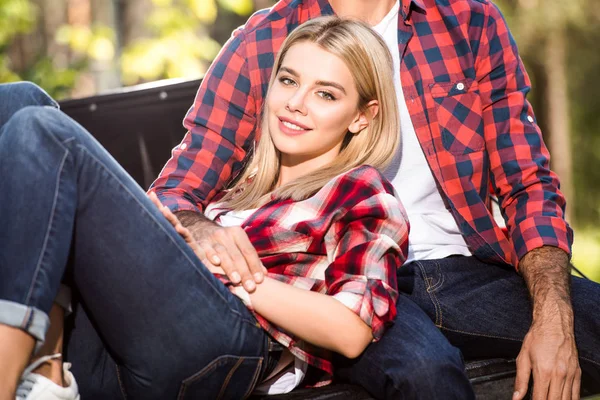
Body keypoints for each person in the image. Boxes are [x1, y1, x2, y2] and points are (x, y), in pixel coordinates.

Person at [143, 0, 600, 399]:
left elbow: (527, 183)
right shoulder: (262, 41)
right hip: (338, 276)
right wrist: (207, 234)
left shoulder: (470, 24)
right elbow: (174, 191)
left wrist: (554, 314)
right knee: (424, 372)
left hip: (465, 269)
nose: (298, 100)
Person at [0, 17, 412, 400]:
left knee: (41, 129)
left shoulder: (361, 192)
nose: (296, 103)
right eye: (288, 81)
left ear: (362, 116)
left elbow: (352, 329)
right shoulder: (242, 180)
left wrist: (227, 273)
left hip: (223, 344)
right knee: (17, 99)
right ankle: (47, 369)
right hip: (122, 334)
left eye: (325, 93)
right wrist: (173, 240)